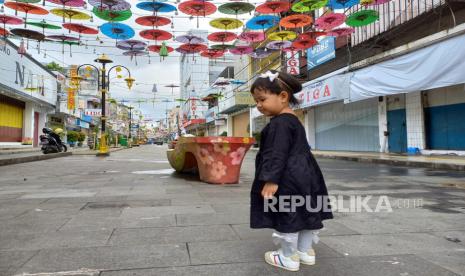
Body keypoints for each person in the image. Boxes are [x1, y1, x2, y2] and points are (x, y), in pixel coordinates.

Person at [250, 70, 333, 272]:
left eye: (262, 99)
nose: (258, 105)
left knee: (287, 212)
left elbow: (276, 153)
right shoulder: (293, 120)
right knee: (306, 211)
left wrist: (270, 179)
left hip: (287, 177)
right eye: (256, 101)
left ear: (283, 97)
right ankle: (305, 252)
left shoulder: (279, 124)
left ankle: (288, 257)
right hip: (307, 175)